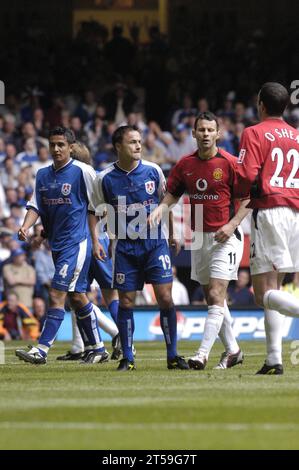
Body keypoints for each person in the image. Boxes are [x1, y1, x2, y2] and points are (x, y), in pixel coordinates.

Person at [149, 112, 250, 370]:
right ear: (193, 134)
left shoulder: (229, 163)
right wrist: (161, 209)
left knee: (217, 292)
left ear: (218, 134)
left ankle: (202, 354)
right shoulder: (185, 165)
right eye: (201, 130)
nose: (205, 134)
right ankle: (234, 351)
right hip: (198, 238)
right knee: (212, 297)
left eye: (210, 130)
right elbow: (172, 194)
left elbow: (248, 199)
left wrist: (231, 224)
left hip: (226, 236)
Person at [89, 125, 189, 371]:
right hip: (125, 247)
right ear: (118, 147)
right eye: (132, 142)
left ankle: (173, 355)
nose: (138, 146)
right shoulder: (104, 178)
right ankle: (128, 358)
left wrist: (173, 235)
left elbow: (166, 202)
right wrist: (95, 242)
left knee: (165, 297)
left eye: (139, 141)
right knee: (126, 302)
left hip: (155, 244)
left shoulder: (153, 170)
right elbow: (93, 211)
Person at [15, 126, 108, 365]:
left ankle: (42, 349)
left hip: (77, 243)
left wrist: (97, 238)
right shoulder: (42, 175)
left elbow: (98, 204)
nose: (56, 149)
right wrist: (27, 227)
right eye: (52, 145)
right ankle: (99, 347)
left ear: (71, 147)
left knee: (57, 294)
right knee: (77, 297)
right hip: (57, 244)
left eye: (61, 145)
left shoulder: (83, 171)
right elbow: (36, 205)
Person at [234, 82, 299, 375]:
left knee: (262, 294)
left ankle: (275, 356)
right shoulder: (297, 136)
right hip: (294, 213)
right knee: (275, 287)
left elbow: (246, 175)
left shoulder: (253, 132)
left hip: (269, 210)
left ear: (261, 104)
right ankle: (274, 359)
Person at [55, 141, 122, 361]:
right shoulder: (94, 177)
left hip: (88, 241)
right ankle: (81, 346)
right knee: (79, 293)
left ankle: (118, 333)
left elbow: (102, 210)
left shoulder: (83, 178)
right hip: (95, 239)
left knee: (81, 293)